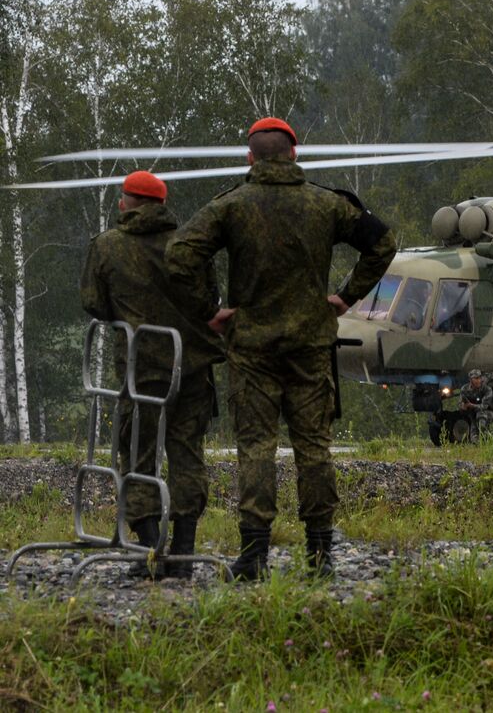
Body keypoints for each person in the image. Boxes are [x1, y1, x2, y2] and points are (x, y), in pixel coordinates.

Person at [166, 118, 397, 580]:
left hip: (252, 348)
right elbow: (384, 242)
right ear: (294, 155)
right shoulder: (327, 205)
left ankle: (253, 555)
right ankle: (320, 555)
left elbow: (180, 256)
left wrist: (209, 310)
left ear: (250, 158)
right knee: (314, 447)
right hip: (311, 346)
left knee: (255, 447)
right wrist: (346, 297)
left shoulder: (231, 206)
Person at [80, 171, 224, 580]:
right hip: (192, 368)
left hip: (141, 370)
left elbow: (94, 303)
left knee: (138, 455)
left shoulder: (107, 246)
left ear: (127, 202)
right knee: (187, 455)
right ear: (161, 204)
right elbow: (209, 300)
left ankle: (147, 550)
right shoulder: (190, 245)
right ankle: (183, 553)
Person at [457, 369, 493, 443]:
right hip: (473, 415)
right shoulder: (465, 389)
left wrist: (471, 405)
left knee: (481, 422)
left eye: (479, 378)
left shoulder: (487, 389)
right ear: (471, 380)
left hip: (487, 412)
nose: (478, 380)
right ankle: (487, 440)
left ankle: (491, 439)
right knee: (474, 439)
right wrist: (463, 406)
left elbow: (484, 406)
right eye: (476, 378)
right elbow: (460, 403)